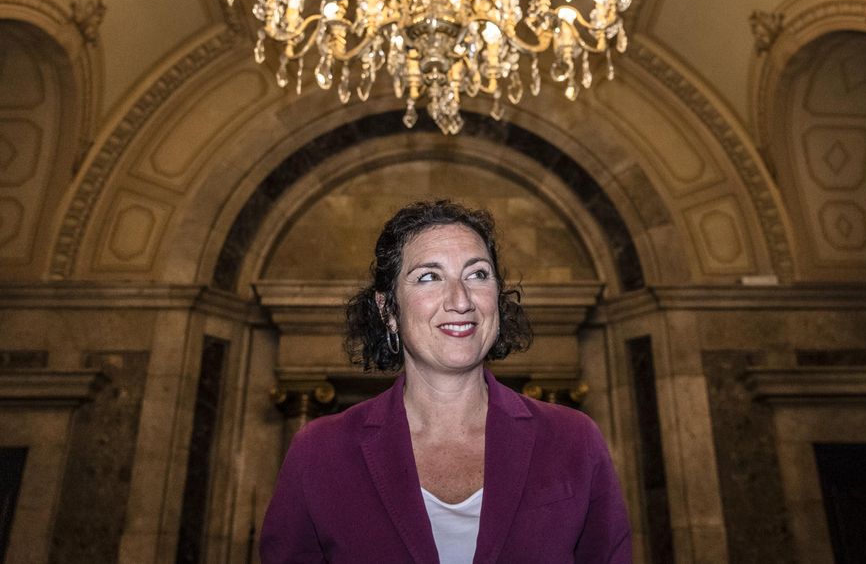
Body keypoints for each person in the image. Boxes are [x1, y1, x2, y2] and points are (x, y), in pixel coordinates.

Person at [260, 200, 632, 563]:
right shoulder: (320, 452)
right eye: (429, 277)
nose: (460, 299)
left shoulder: (573, 439)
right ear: (388, 309)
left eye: (477, 274)